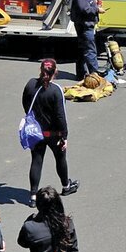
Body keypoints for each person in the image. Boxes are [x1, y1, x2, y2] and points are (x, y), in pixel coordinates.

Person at [23, 59, 76, 196]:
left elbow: (25, 103)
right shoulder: (56, 90)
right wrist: (64, 136)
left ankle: (33, 195)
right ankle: (66, 186)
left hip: (36, 133)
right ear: (55, 72)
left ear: (40, 70)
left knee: (36, 160)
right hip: (53, 134)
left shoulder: (30, 84)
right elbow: (60, 116)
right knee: (60, 158)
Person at [68, 0, 106, 79]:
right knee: (90, 50)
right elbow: (84, 9)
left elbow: (87, 5)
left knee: (82, 50)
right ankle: (95, 75)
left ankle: (81, 74)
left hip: (84, 24)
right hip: (84, 25)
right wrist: (97, 9)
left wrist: (95, 4)